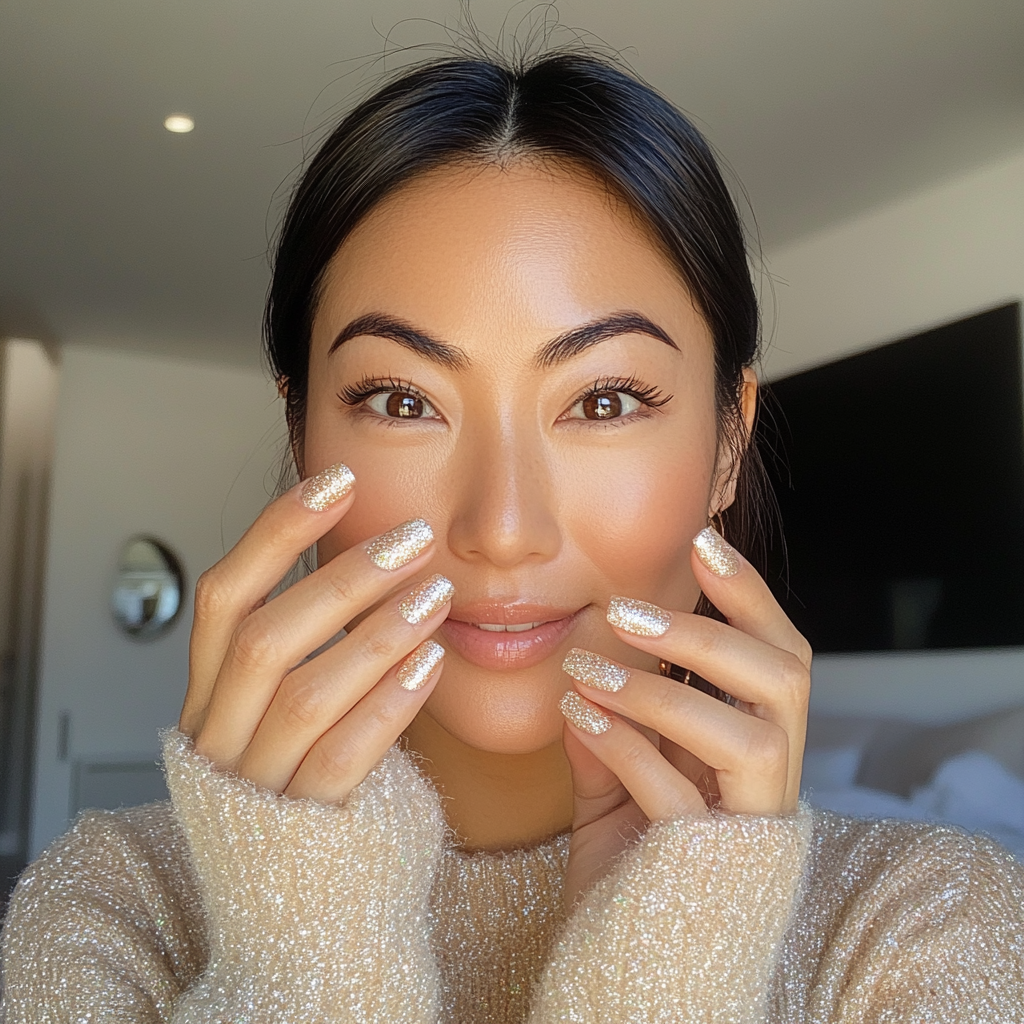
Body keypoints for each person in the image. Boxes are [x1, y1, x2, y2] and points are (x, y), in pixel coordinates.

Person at [2, 46, 1022, 1024]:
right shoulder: (112, 907)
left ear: (725, 444)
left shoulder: (923, 926)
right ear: (301, 433)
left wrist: (671, 959)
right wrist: (296, 955)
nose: (500, 529)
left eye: (606, 399)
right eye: (402, 400)